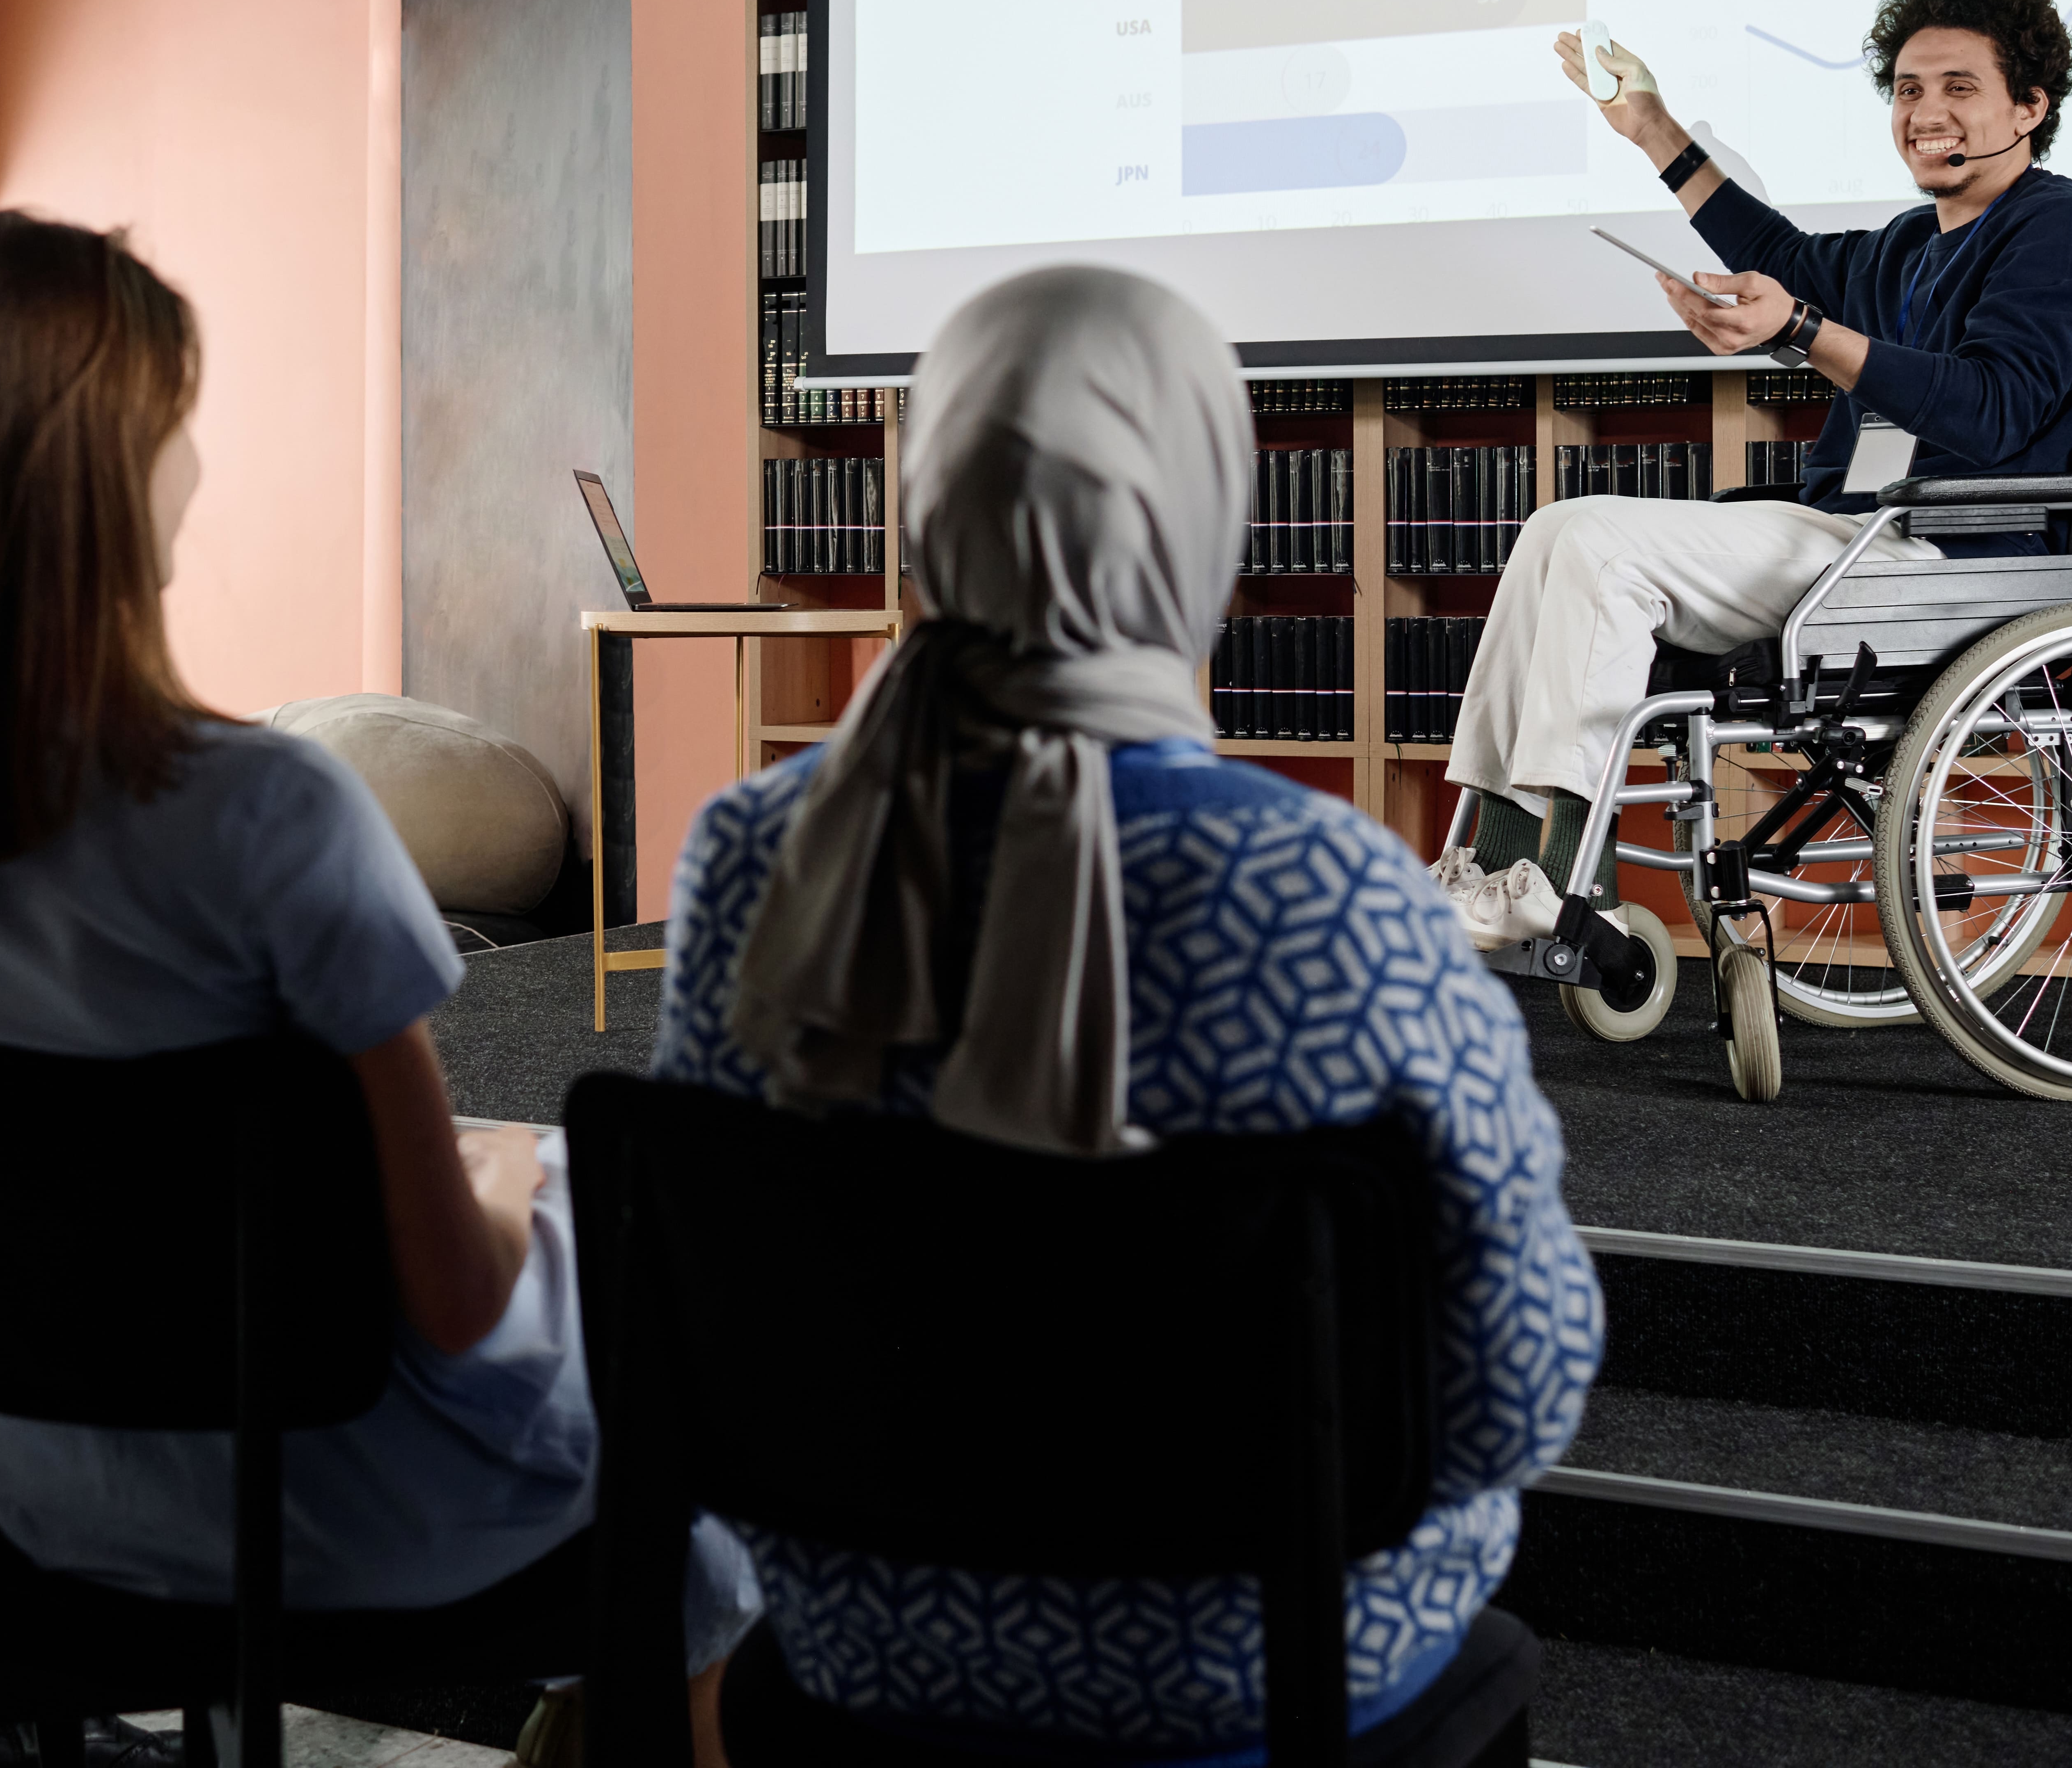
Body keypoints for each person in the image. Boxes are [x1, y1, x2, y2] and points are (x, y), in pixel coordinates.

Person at [0, 212, 760, 1756]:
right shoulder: (265, 813)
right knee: (684, 1458)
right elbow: (453, 1292)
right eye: (173, 429)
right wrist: (511, 1188)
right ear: (95, 471)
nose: (196, 474)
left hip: (52, 1499)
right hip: (341, 1504)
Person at [651, 264, 1599, 1758]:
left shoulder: (748, 860)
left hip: (859, 1659)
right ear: (1201, 507)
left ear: (926, 493)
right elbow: (1511, 1394)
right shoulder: (1332, 892)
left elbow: (713, 1335)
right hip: (1266, 1669)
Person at [1437, 0, 2072, 947]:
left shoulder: (2067, 233)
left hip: (1955, 557)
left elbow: (1992, 413)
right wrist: (1650, 125)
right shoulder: (1913, 244)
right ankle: (1485, 858)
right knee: (1558, 525)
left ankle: (1551, 872)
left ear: (2031, 106)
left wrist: (1806, 328)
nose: (1924, 111)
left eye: (1958, 87)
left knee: (1602, 542)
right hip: (1857, 545)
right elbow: (1774, 251)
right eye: (1907, 89)